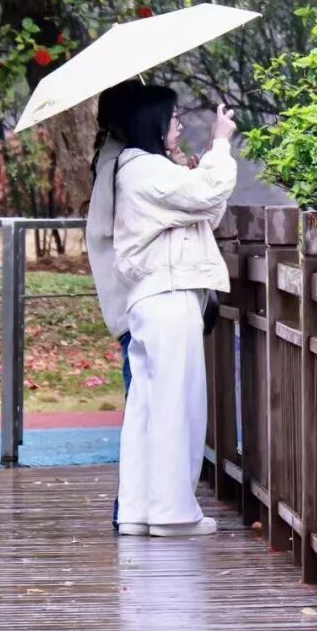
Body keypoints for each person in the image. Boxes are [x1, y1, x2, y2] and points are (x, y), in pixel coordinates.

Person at [113, 88, 237, 538]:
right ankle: (172, 513)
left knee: (149, 407)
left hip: (154, 295)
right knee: (177, 403)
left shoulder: (143, 169)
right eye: (173, 117)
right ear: (153, 123)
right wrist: (219, 144)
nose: (179, 124)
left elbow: (206, 207)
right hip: (167, 293)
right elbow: (210, 193)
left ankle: (139, 510)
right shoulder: (145, 170)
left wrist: (191, 164)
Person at [87, 84, 135, 529]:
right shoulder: (122, 164)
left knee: (138, 401)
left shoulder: (112, 157)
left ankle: (131, 508)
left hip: (122, 303)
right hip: (132, 304)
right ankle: (129, 509)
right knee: (140, 405)